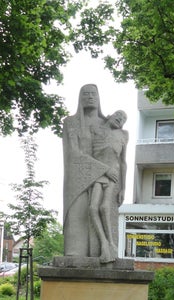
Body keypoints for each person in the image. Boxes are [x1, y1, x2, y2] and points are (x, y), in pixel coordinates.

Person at [62, 84, 123, 258]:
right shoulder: (71, 122)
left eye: (93, 94)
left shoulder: (107, 124)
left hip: (104, 179)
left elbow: (118, 156)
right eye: (86, 94)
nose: (90, 97)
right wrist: (104, 169)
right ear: (80, 98)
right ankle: (79, 250)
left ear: (98, 97)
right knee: (79, 214)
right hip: (79, 178)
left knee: (102, 209)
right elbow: (73, 153)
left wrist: (121, 185)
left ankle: (105, 248)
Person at [89, 110, 128, 262]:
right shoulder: (96, 130)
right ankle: (104, 242)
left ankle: (111, 243)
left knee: (105, 207)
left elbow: (123, 162)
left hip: (113, 176)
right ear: (111, 115)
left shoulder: (123, 135)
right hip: (99, 173)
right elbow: (89, 156)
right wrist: (105, 169)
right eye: (119, 115)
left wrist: (124, 188)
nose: (121, 119)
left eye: (124, 119)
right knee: (92, 208)